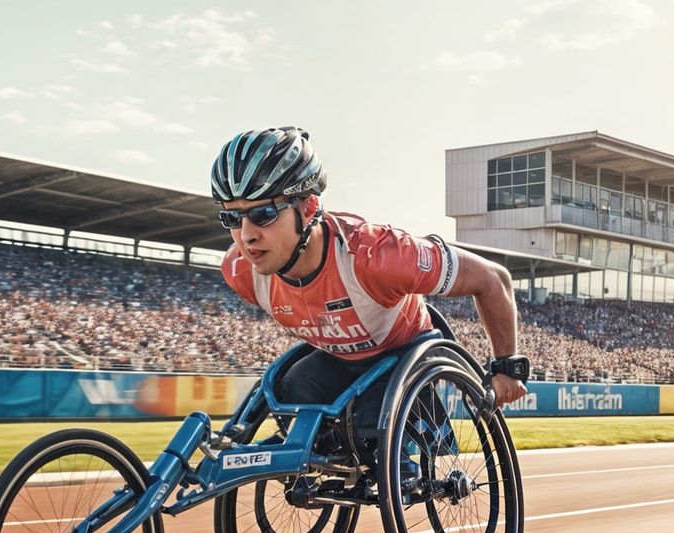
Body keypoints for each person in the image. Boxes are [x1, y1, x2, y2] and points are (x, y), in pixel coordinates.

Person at [212, 126, 529, 460]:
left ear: (308, 207)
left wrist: (507, 366)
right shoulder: (240, 272)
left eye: (263, 214)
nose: (246, 236)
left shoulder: (376, 256)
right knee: (288, 390)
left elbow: (493, 278)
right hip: (337, 358)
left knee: (372, 424)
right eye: (232, 217)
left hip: (402, 354)